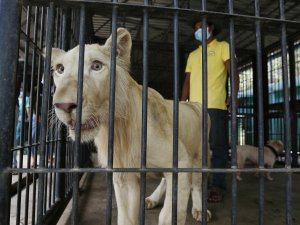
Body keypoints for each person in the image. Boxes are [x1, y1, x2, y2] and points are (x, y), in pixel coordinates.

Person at [181, 19, 239, 202]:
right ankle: (198, 185)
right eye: (196, 28)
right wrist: (182, 103)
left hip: (215, 106)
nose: (199, 31)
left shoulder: (223, 47)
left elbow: (234, 72)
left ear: (211, 28)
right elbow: (187, 82)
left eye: (202, 27)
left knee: (218, 147)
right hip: (193, 109)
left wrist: (235, 95)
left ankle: (218, 186)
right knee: (195, 148)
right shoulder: (192, 55)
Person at [13, 88, 31, 168]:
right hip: (19, 119)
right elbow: (28, 109)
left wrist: (29, 119)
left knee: (15, 138)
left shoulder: (24, 99)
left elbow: (28, 109)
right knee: (15, 139)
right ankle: (13, 163)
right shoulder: (24, 99)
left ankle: (13, 163)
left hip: (20, 119)